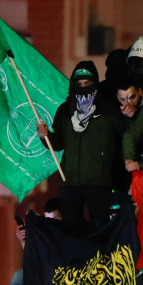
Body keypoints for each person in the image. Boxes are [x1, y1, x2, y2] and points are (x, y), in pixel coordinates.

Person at [36, 61, 124, 232]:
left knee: (102, 229)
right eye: (79, 83)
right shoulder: (64, 110)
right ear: (73, 84)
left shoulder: (109, 109)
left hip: (99, 181)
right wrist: (44, 136)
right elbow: (58, 143)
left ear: (95, 83)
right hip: (69, 182)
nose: (83, 87)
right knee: (72, 229)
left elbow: (123, 139)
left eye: (88, 83)